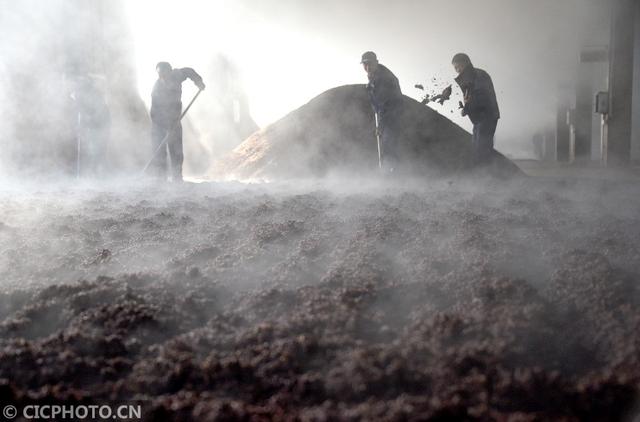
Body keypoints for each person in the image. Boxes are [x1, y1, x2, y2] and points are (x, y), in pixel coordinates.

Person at [150, 62, 205, 182]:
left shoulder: (176, 75)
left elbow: (189, 71)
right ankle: (161, 178)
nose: (163, 77)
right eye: (160, 75)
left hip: (174, 121)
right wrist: (161, 125)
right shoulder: (157, 88)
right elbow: (154, 110)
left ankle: (177, 177)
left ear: (170, 71)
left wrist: (198, 82)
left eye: (165, 74)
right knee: (159, 151)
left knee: (176, 150)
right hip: (159, 123)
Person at [451, 53, 500, 167]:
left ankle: (485, 176)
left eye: (458, 67)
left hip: (486, 116)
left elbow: (481, 96)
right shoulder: (472, 76)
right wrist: (467, 107)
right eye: (455, 68)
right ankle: (482, 175)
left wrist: (466, 109)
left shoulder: (478, 75)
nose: (457, 70)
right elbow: (472, 97)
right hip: (480, 118)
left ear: (465, 63)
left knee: (482, 148)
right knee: (477, 146)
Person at [361, 51, 403, 171]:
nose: (367, 67)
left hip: (392, 111)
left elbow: (385, 104)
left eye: (370, 64)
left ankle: (394, 170)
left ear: (376, 63)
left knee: (389, 140)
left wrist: (381, 125)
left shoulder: (383, 78)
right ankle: (390, 169)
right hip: (384, 111)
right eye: (365, 64)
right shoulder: (374, 74)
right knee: (386, 139)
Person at [71, 75, 111, 177]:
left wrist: (88, 120)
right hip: (93, 125)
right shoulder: (80, 95)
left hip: (100, 124)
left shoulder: (95, 96)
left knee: (97, 149)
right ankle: (92, 173)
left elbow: (99, 112)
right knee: (92, 148)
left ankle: (98, 173)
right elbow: (80, 110)